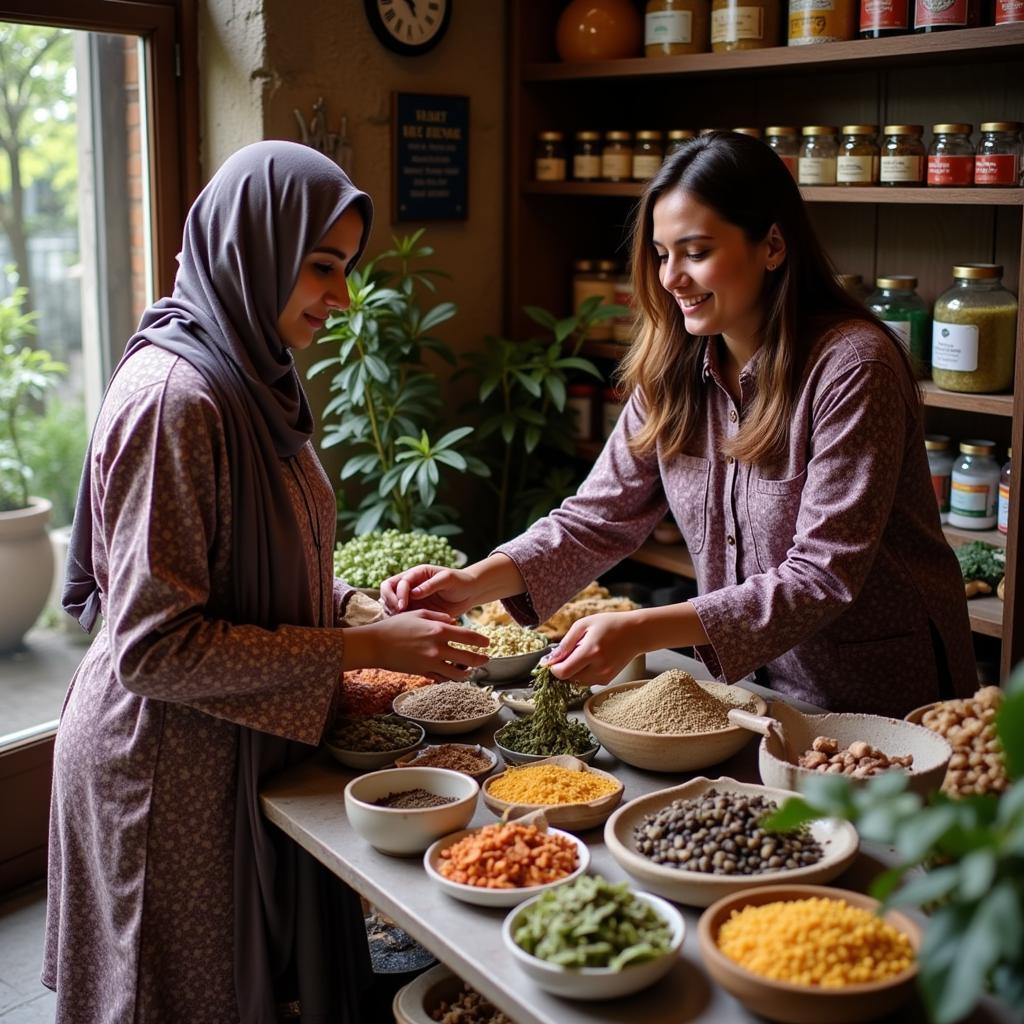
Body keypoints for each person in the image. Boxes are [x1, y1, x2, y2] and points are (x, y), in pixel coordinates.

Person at [43, 140, 488, 1024]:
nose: (342, 296)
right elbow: (153, 648)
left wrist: (358, 603)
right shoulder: (178, 400)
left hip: (227, 752)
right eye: (322, 266)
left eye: (349, 268)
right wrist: (363, 646)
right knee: (170, 999)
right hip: (163, 775)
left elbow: (250, 569)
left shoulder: (254, 376)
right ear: (254, 247)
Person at [383, 131, 976, 719]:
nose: (670, 278)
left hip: (873, 692)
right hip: (749, 693)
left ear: (772, 245)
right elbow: (599, 516)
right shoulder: (673, 367)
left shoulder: (853, 366)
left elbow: (823, 574)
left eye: (695, 252)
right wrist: (470, 583)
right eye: (662, 255)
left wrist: (639, 629)